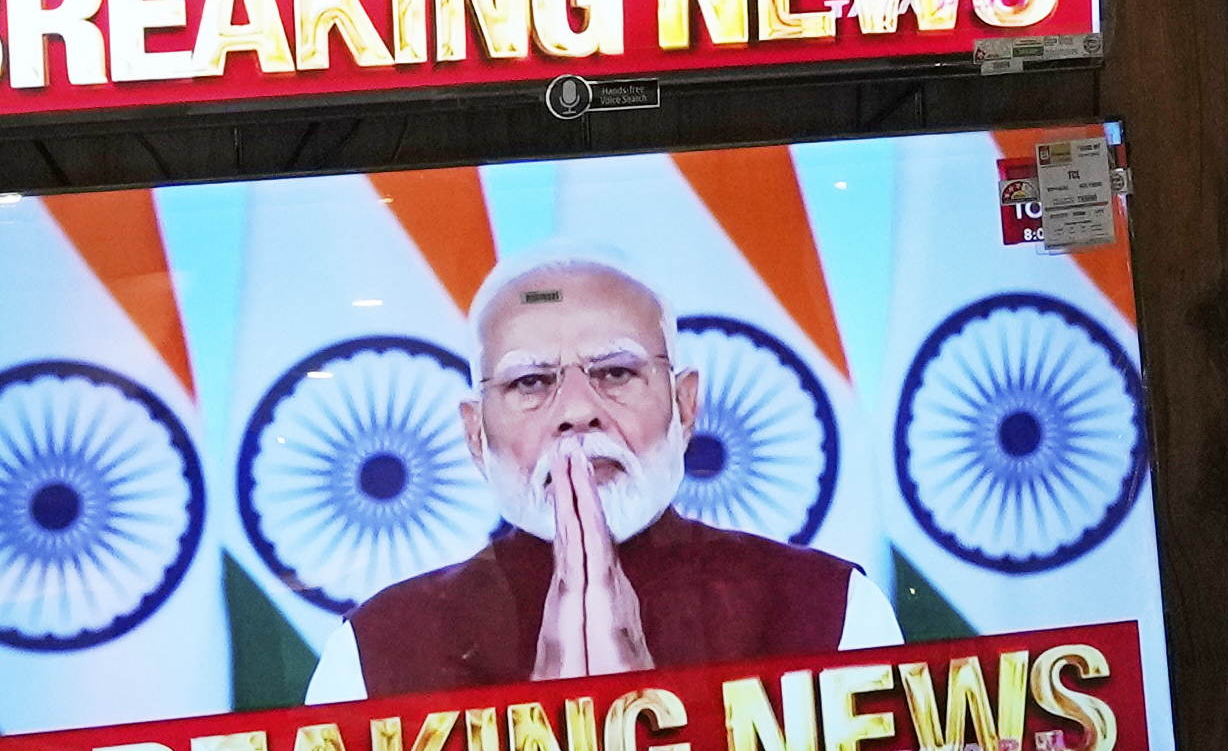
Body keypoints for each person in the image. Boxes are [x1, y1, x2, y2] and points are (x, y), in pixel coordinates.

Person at [305, 249, 894, 700]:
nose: (576, 410)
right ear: (474, 435)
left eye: (614, 372)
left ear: (686, 407)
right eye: (530, 382)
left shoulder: (833, 609)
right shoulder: (374, 651)